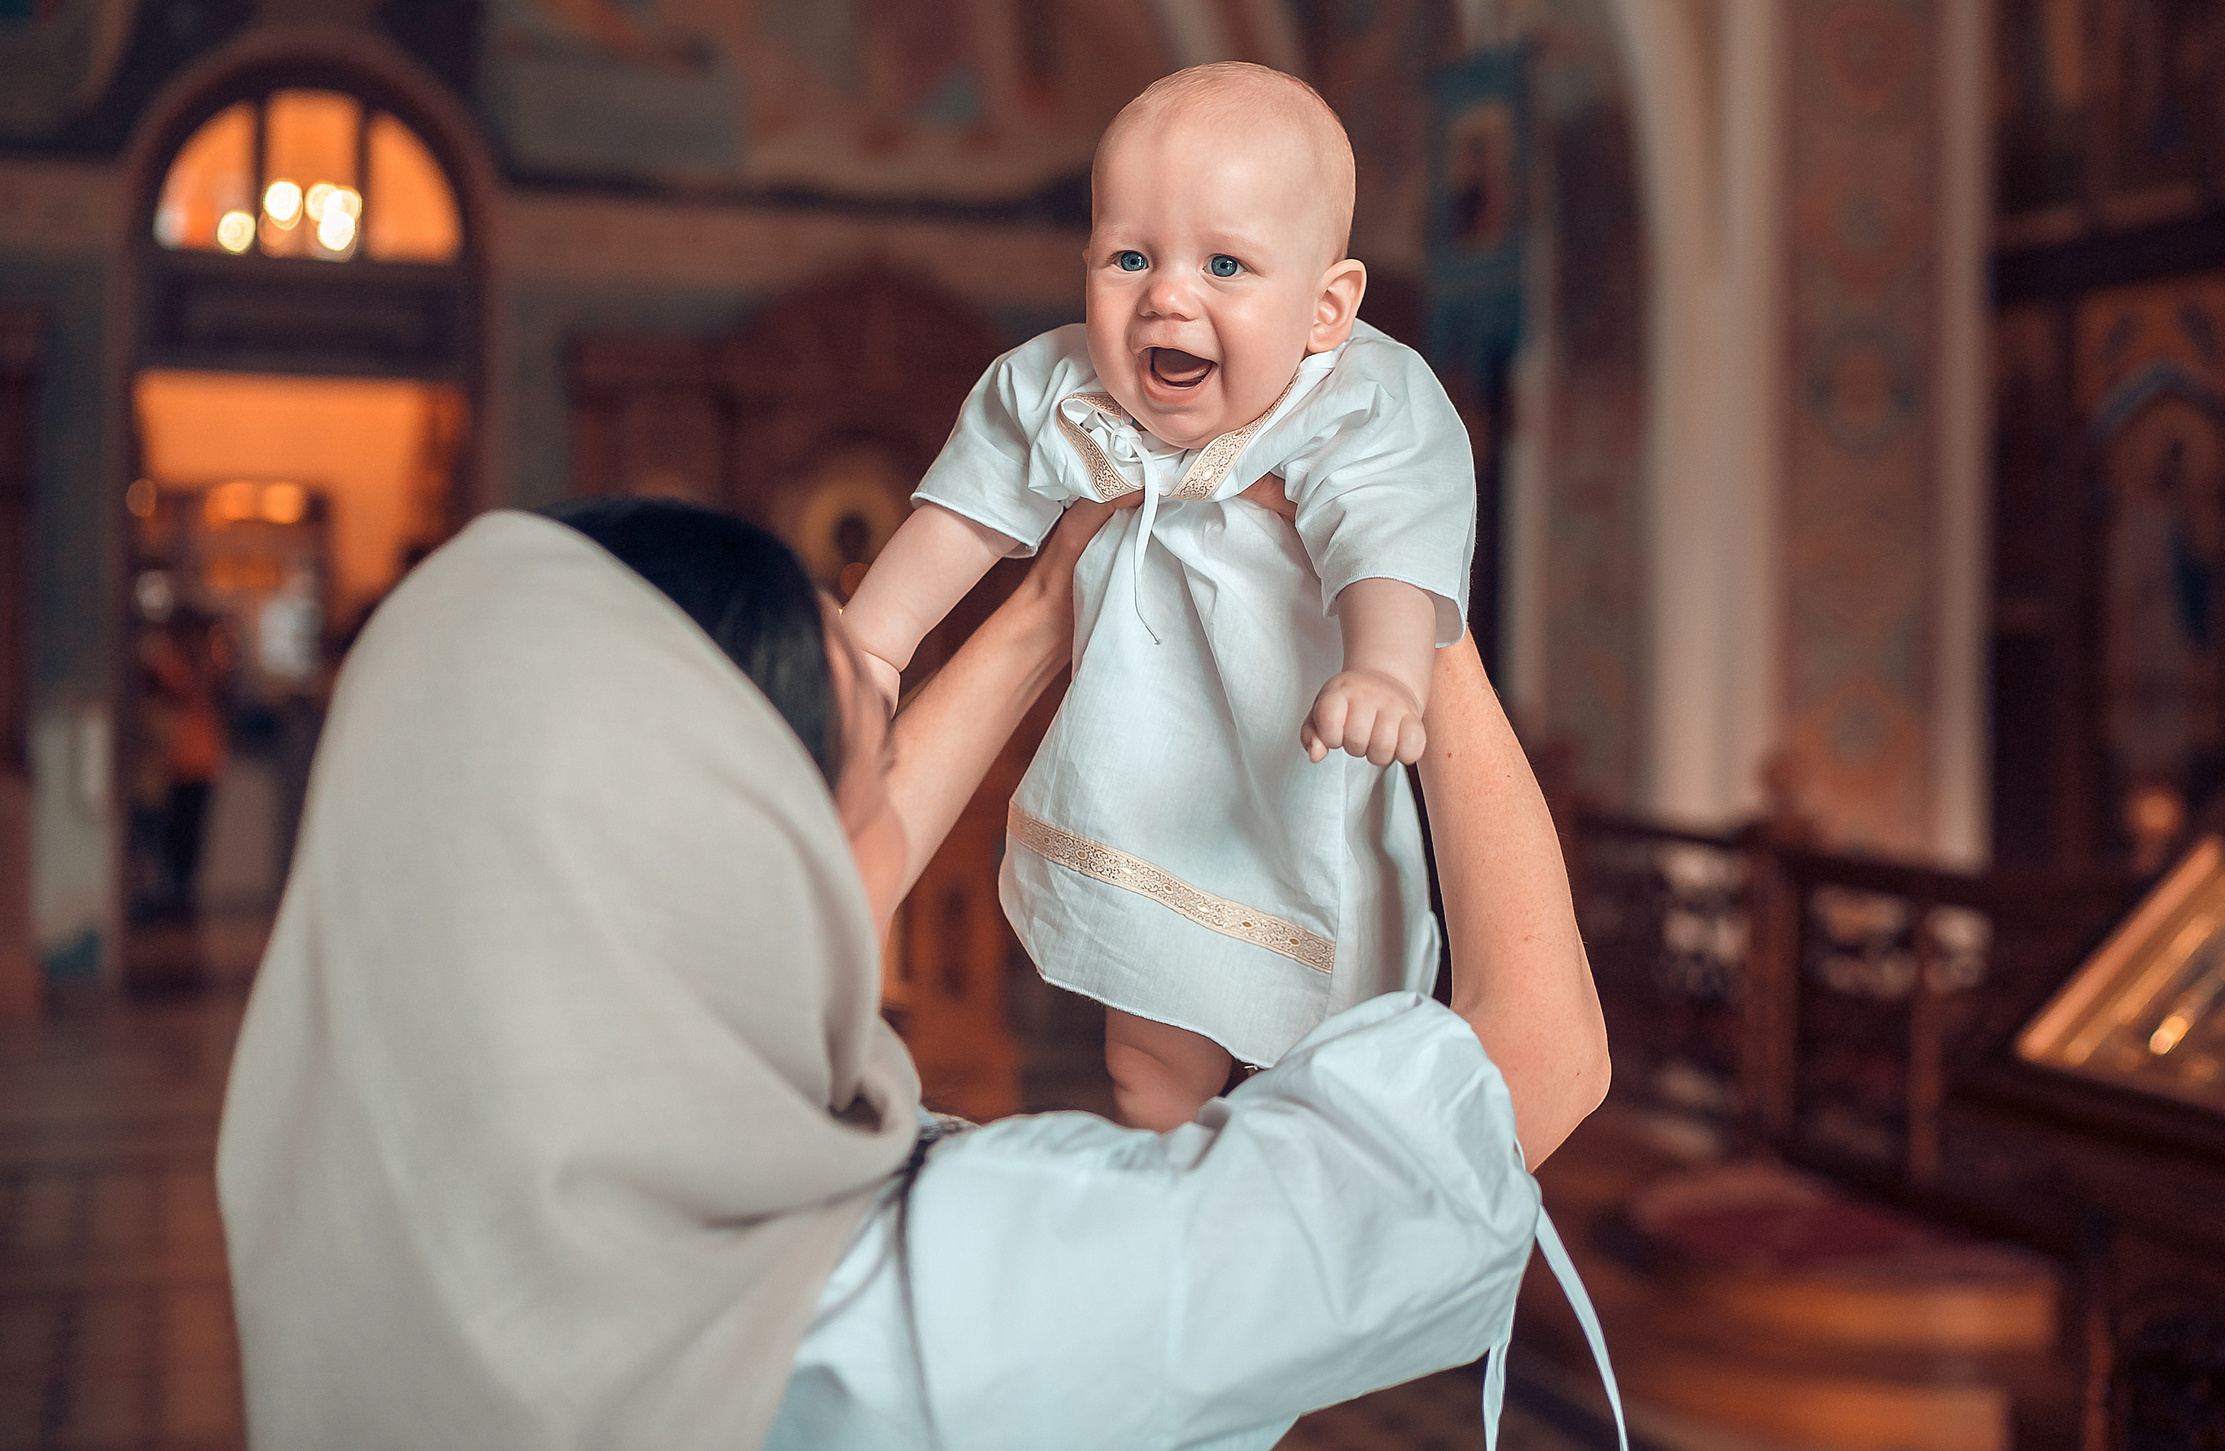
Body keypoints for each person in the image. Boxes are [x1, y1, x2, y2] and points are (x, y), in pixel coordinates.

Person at [217, 494, 1614, 1450]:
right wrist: (1415, 592)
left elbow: (832, 872)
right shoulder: (936, 1313)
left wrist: (1041, 611)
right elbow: (1533, 1063)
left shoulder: (372, 1183)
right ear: (754, 850)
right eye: (872, 740)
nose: (890, 783)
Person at [841, 62, 1476, 1130]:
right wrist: (874, 642)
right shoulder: (1059, 389)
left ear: (1326, 308)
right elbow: (965, 514)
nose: (1166, 295)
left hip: (1302, 789)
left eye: (1224, 263)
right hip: (1145, 783)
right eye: (1130, 257)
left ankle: (1280, 1226)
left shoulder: (1363, 403)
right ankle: (1162, 1172)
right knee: (1145, 1055)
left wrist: (1382, 665)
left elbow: (1391, 536)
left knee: (1331, 1072)